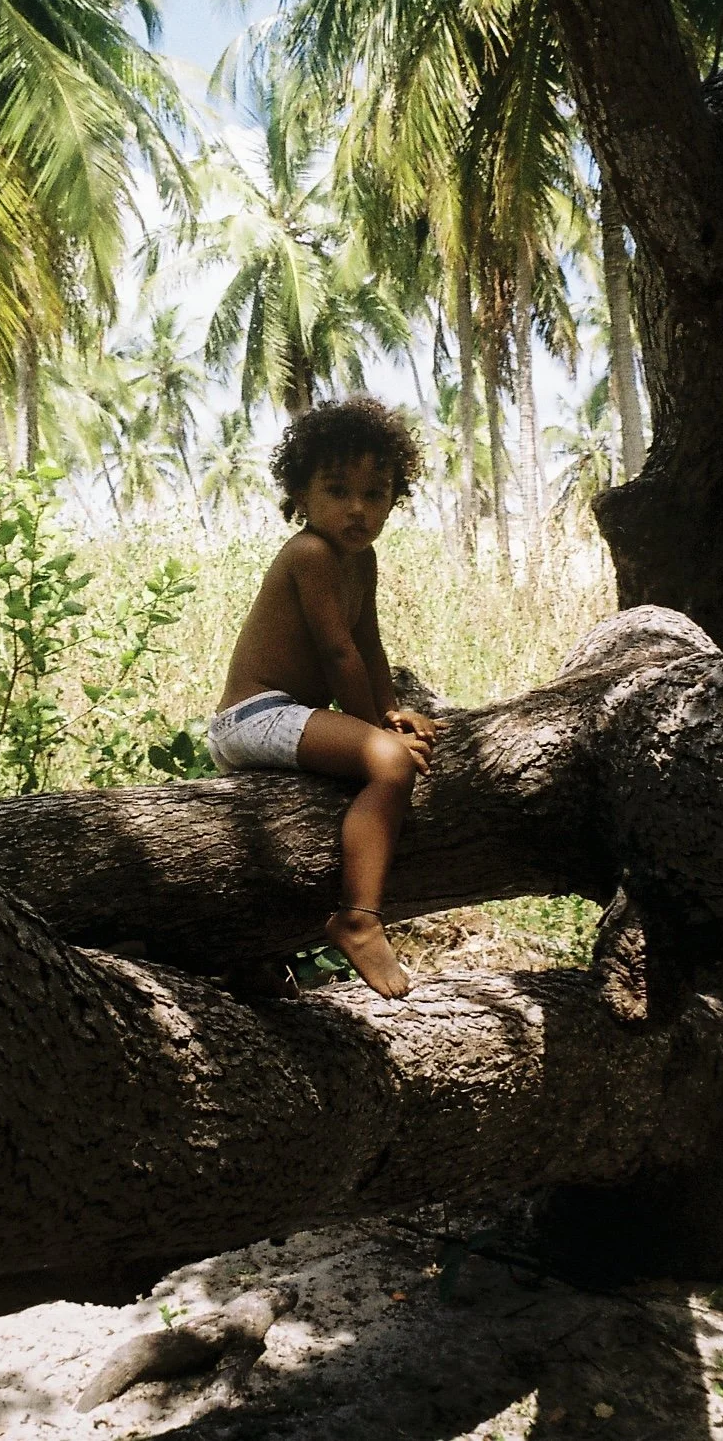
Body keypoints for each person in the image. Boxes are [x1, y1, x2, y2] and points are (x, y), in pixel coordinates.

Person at [208, 398, 437, 998]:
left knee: (381, 756)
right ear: (301, 496)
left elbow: (369, 644)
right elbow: (338, 658)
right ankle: (359, 919)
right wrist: (381, 737)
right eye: (338, 491)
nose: (358, 509)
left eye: (376, 493)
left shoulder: (362, 562)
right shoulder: (308, 554)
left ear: (394, 500)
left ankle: (260, 953)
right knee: (389, 765)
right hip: (254, 716)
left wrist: (388, 711)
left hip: (292, 715)